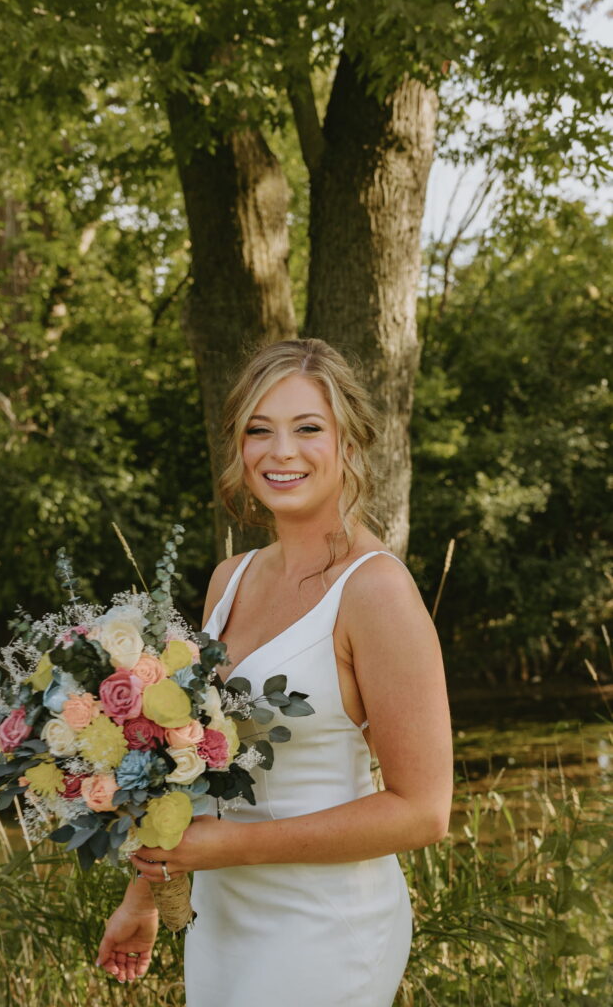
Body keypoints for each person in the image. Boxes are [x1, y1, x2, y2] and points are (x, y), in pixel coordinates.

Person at [96, 338, 453, 1005]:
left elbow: (422, 813)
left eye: (307, 428)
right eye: (259, 430)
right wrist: (144, 896)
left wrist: (228, 849)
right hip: (222, 919)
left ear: (350, 442)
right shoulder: (230, 580)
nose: (280, 451)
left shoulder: (374, 592)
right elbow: (188, 764)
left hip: (326, 927)